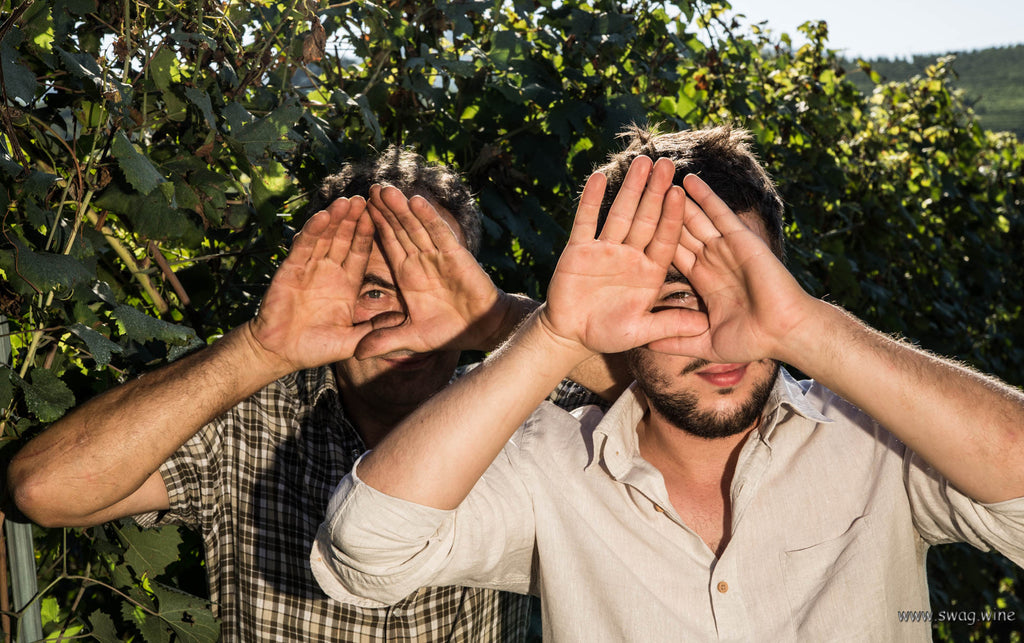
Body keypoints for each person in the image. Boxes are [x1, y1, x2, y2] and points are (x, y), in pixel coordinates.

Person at [311, 127, 1024, 641]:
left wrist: (808, 328)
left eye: (744, 287)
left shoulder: (877, 443)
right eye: (676, 297)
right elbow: (366, 551)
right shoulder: (549, 465)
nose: (721, 333)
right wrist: (555, 336)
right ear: (617, 318)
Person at [6, 147, 609, 641]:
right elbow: (44, 490)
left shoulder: (529, 414)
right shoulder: (250, 425)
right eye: (375, 292)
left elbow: (660, 407)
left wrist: (500, 320)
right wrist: (258, 351)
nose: (409, 322)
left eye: (437, 290)